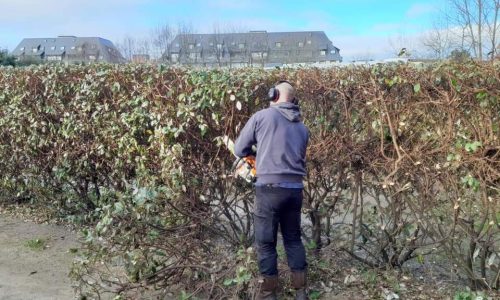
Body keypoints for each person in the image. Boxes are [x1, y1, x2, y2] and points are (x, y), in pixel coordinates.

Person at [234, 81, 309, 300]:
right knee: (293, 240)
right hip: (295, 190)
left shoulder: (261, 117)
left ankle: (268, 294)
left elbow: (240, 149)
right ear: (292, 99)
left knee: (266, 244)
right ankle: (301, 292)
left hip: (268, 190)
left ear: (274, 95)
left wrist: (257, 153)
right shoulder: (303, 128)